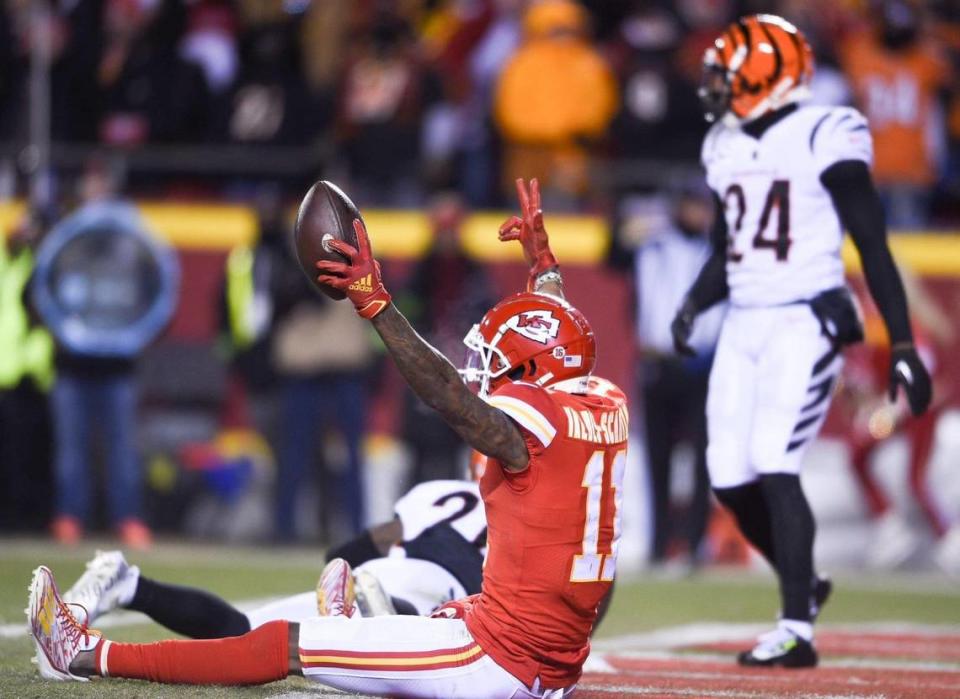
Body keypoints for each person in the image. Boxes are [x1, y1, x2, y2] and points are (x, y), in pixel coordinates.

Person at [29, 178, 628, 698]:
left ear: (531, 373)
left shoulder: (533, 425)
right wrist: (544, 270)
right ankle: (354, 626)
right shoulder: (601, 400)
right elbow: (560, 350)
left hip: (500, 658)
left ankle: (85, 654)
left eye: (502, 362)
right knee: (415, 617)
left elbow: (450, 396)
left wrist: (375, 303)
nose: (488, 370)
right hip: (544, 652)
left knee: (280, 645)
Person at [671, 15, 932, 668]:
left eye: (727, 73)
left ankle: (795, 626)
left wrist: (900, 341)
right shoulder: (723, 145)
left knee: (773, 460)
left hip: (804, 317)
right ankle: (804, 580)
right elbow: (729, 247)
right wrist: (695, 302)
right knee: (728, 476)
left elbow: (872, 240)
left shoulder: (827, 129)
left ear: (766, 74)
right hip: (744, 319)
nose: (715, 86)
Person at [61, 478, 488, 641]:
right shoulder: (526, 511)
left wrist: (346, 563)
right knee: (421, 625)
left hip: (382, 568)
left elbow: (365, 545)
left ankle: (129, 584)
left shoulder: (441, 493)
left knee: (242, 630)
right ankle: (383, 614)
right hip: (444, 586)